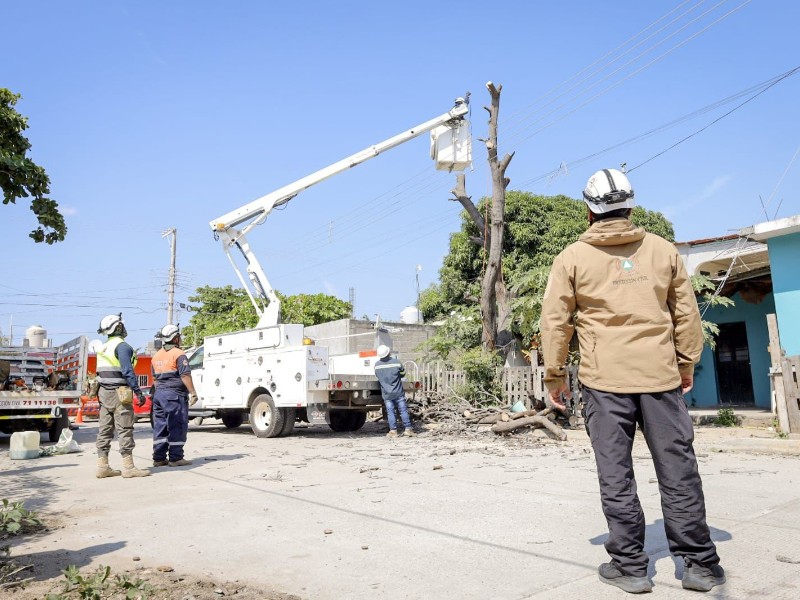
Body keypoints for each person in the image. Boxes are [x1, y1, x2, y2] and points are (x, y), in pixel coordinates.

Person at [540, 168, 724, 594]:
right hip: (660, 378)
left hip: (604, 383)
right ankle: (699, 565)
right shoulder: (662, 250)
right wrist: (685, 364)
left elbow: (555, 322)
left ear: (589, 209)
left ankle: (629, 566)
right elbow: (685, 315)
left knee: (615, 473)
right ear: (630, 205)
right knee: (678, 470)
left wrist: (554, 374)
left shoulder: (571, 258)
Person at [94, 313, 150, 478]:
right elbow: (127, 371)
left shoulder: (103, 347)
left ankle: (102, 467)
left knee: (104, 430)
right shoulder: (122, 346)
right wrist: (138, 392)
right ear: (118, 327)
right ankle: (128, 468)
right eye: (122, 325)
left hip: (103, 393)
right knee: (124, 429)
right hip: (120, 393)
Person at [150, 324, 197, 467]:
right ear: (175, 338)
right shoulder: (178, 354)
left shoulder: (156, 356)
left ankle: (159, 458)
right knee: (177, 424)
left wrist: (161, 393)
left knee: (160, 426)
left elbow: (155, 379)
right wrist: (193, 392)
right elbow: (185, 375)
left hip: (159, 395)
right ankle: (176, 458)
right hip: (174, 395)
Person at [374, 344, 415, 438]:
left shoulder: (377, 365)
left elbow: (377, 376)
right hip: (398, 392)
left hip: (387, 394)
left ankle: (393, 431)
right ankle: (408, 429)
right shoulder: (396, 362)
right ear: (388, 353)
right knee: (403, 410)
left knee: (390, 412)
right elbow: (403, 374)